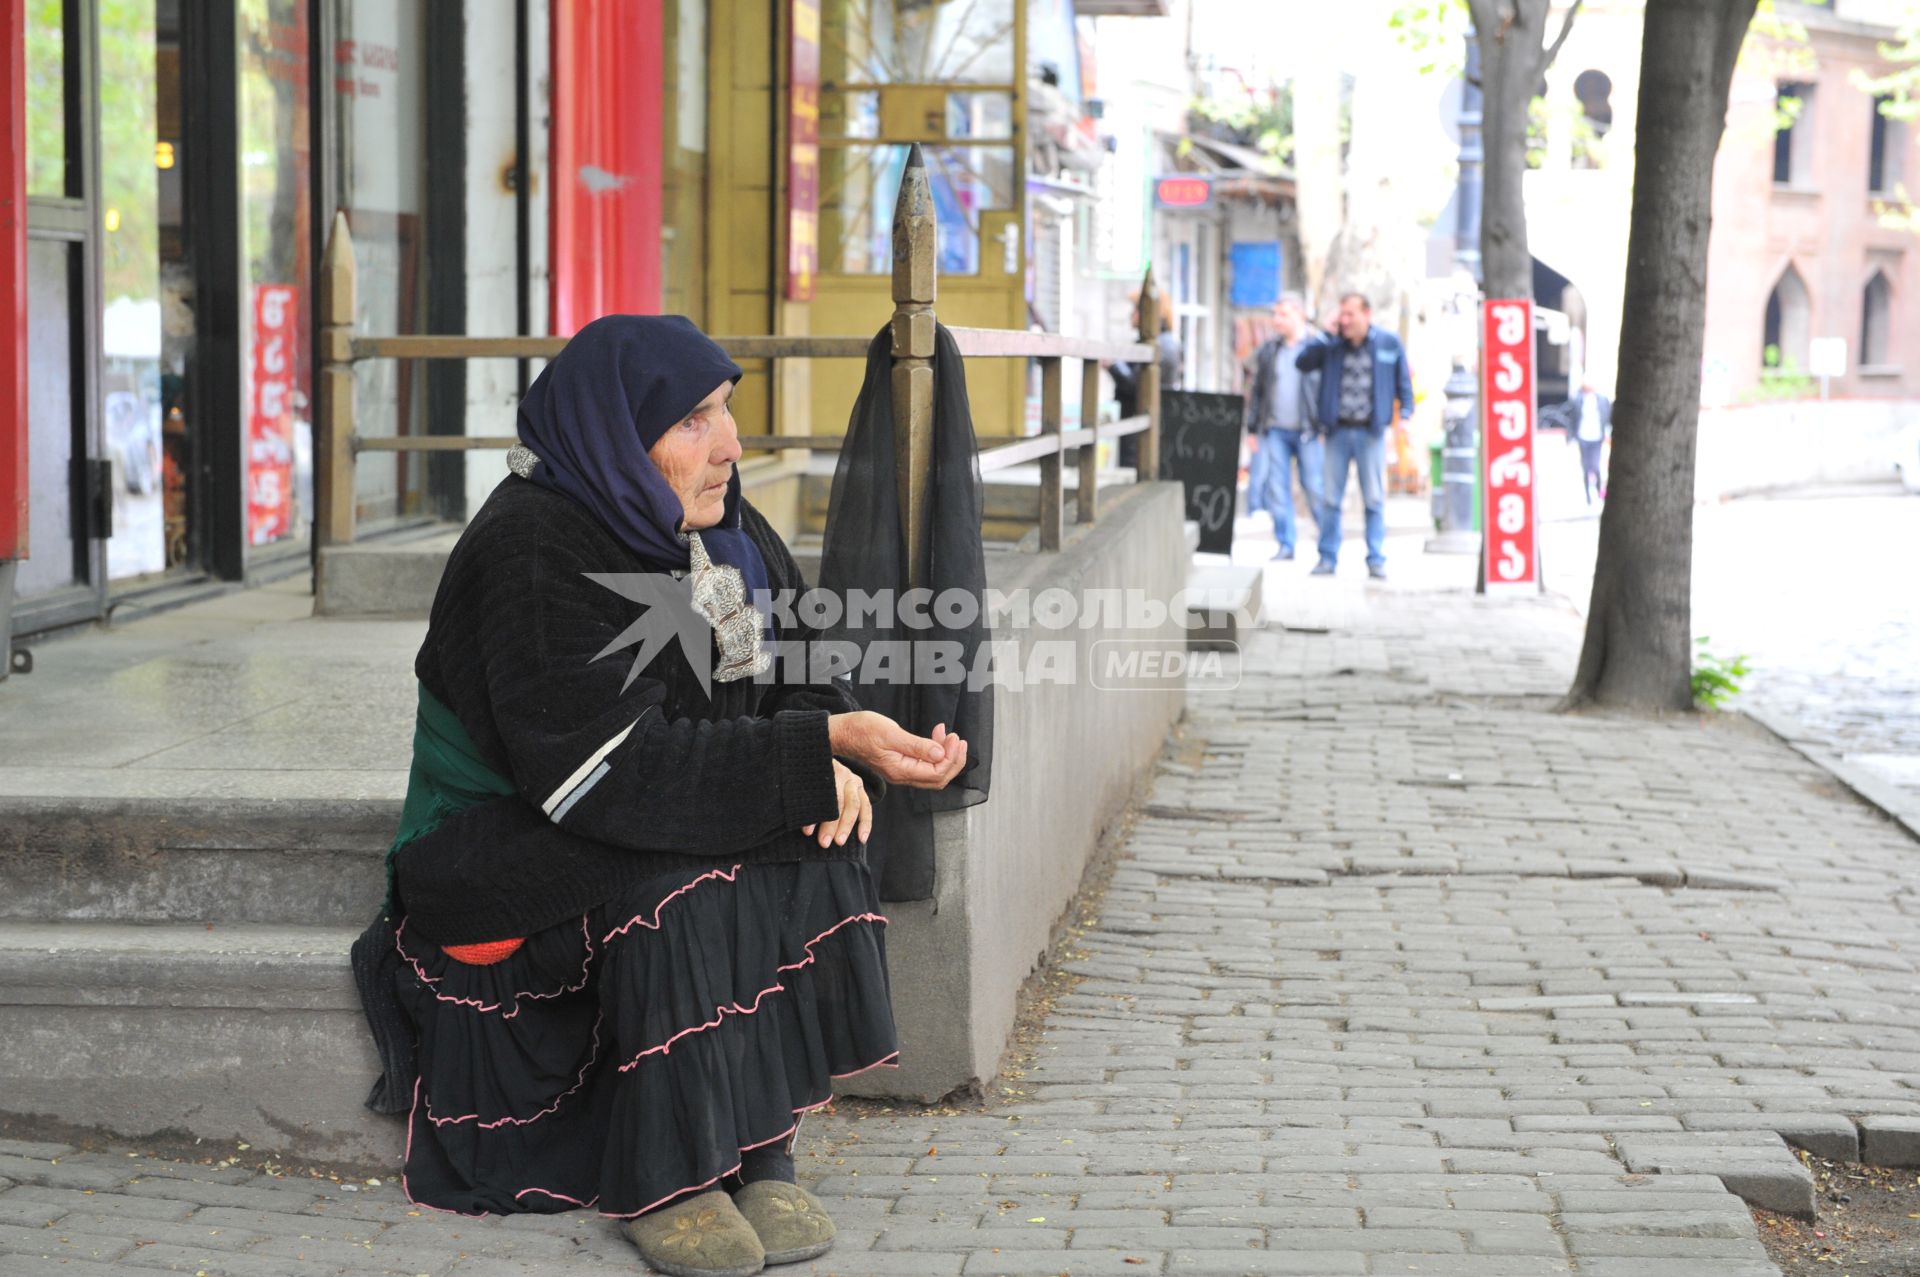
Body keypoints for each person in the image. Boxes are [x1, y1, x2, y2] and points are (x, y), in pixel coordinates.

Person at [358, 315, 970, 1277]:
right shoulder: (532, 546)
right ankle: (672, 1175)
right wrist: (809, 749)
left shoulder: (723, 527)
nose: (729, 444)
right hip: (496, 843)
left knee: (820, 819)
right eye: (693, 420)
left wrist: (844, 738)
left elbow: (802, 675)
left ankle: (758, 1142)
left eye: (725, 411)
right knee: (681, 861)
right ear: (612, 433)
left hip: (611, 802)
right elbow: (608, 776)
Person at [1295, 292, 1414, 580]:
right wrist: (1326, 332)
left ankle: (1376, 559)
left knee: (1373, 499)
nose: (1345, 320)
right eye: (1342, 315)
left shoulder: (1387, 343)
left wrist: (1406, 416)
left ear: (1366, 314)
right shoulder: (1332, 345)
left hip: (1370, 431)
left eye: (1350, 314)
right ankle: (1327, 557)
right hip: (1337, 431)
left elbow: (1403, 382)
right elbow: (1303, 362)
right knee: (1331, 500)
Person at [1242, 292, 1324, 560]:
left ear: (1300, 315)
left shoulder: (1316, 348)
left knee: (1313, 486)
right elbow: (1258, 391)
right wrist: (1252, 429)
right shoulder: (1270, 350)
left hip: (1308, 430)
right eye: (1275, 314)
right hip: (1275, 429)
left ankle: (1327, 540)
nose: (1277, 320)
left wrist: (1324, 427)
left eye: (1283, 314)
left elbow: (1325, 390)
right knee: (1277, 488)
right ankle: (1286, 543)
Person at [1568, 380, 1612, 505]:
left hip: (1597, 437)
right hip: (1583, 436)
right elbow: (1573, 419)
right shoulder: (1578, 401)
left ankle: (1598, 491)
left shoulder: (1602, 400)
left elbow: (1606, 417)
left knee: (1595, 466)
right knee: (1586, 467)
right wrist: (1571, 436)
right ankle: (1588, 495)